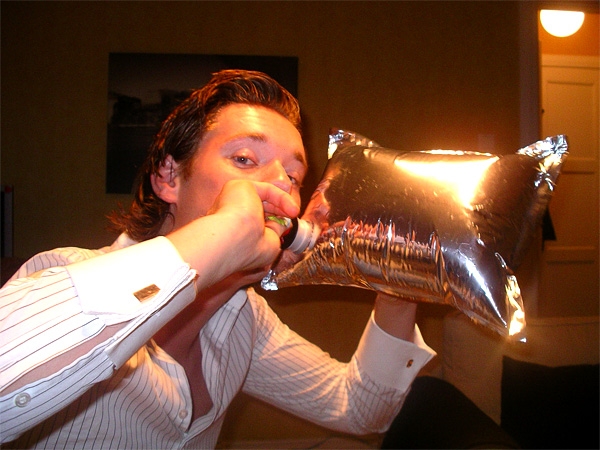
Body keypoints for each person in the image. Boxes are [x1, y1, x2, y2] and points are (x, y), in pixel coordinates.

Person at [0, 70, 435, 448]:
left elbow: (358, 410)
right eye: (244, 159)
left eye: (294, 175)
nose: (281, 186)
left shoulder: (243, 321)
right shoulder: (57, 271)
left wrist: (397, 284)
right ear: (170, 177)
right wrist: (225, 235)